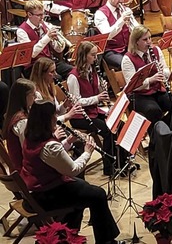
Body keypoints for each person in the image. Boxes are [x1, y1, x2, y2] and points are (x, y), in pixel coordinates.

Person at [20, 100, 123, 244]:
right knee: (97, 195)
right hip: (46, 194)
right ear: (47, 120)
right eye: (53, 116)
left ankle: (69, 236)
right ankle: (106, 241)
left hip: (39, 188)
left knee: (85, 191)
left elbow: (50, 158)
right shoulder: (49, 146)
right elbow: (73, 170)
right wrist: (87, 152)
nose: (56, 119)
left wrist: (68, 141)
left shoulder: (31, 136)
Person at [68, 41, 128, 175]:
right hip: (79, 116)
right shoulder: (73, 76)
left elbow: (95, 91)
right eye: (93, 55)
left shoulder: (92, 70)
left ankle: (122, 161)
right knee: (108, 131)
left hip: (93, 112)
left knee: (119, 124)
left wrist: (101, 87)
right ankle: (110, 168)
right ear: (84, 56)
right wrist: (97, 98)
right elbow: (76, 101)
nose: (96, 59)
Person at [121, 26, 172, 126]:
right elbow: (133, 85)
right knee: (153, 110)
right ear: (136, 42)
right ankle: (156, 137)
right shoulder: (127, 59)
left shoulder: (156, 50)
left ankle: (168, 131)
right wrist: (150, 80)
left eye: (149, 38)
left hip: (157, 90)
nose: (149, 42)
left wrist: (163, 72)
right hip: (139, 95)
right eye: (145, 39)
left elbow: (167, 71)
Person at [17, 0, 73, 78]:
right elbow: (31, 54)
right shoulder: (21, 31)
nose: (42, 17)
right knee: (57, 78)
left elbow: (59, 50)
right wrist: (47, 37)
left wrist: (56, 41)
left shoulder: (44, 25)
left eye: (43, 14)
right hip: (34, 66)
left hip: (49, 62)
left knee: (73, 72)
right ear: (29, 14)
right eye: (39, 15)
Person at [94, 0, 139, 69]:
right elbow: (107, 35)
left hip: (128, 47)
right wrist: (122, 20)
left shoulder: (126, 10)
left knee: (145, 59)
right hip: (111, 51)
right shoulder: (100, 13)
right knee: (127, 65)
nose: (121, 1)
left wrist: (132, 27)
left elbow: (137, 29)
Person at [30, 57, 82, 124]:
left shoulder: (49, 87)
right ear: (42, 74)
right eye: (52, 72)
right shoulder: (36, 94)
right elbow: (45, 121)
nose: (56, 74)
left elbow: (57, 112)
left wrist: (65, 105)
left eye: (55, 70)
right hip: (47, 130)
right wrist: (68, 115)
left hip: (55, 126)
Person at [2, 79, 37, 171]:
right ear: (24, 97)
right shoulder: (21, 122)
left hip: (26, 166)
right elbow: (29, 151)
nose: (36, 97)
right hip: (26, 170)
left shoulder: (15, 114)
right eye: (33, 94)